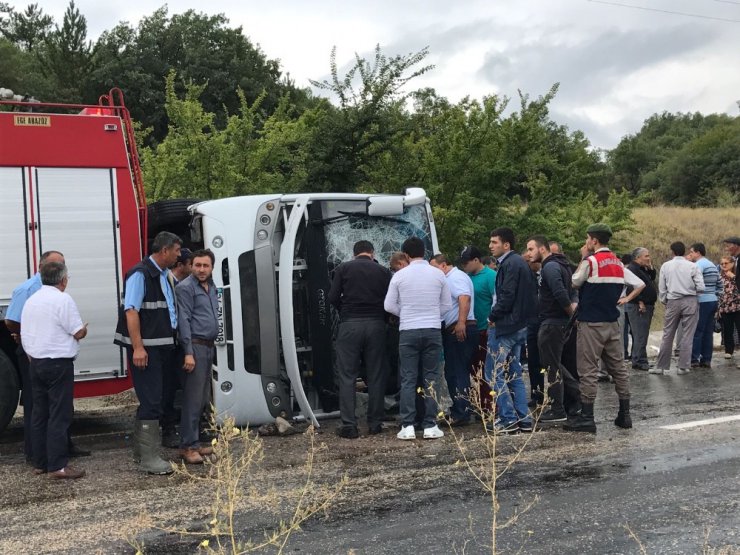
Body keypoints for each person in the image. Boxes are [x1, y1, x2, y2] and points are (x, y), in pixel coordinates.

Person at [4, 250, 90, 464]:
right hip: (38, 356)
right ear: (44, 267)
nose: (63, 270)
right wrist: (23, 337)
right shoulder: (27, 290)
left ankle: (57, 450)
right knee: (42, 409)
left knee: (53, 409)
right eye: (58, 265)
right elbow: (11, 321)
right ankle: (38, 455)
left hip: (37, 356)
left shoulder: (40, 295)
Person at [565, 223, 645, 433]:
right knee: (618, 368)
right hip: (612, 322)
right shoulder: (618, 263)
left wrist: (583, 257)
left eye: (587, 239)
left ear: (594, 240)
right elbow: (640, 284)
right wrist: (626, 298)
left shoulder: (590, 261)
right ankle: (625, 414)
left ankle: (587, 417)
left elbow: (574, 283)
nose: (586, 243)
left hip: (591, 323)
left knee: (588, 369)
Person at [114, 231, 181, 474]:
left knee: (157, 399)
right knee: (151, 401)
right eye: (175, 250)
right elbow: (131, 311)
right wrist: (138, 348)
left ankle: (142, 453)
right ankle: (149, 458)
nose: (178, 255)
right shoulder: (140, 274)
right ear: (164, 250)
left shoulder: (163, 275)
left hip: (161, 348)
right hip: (148, 351)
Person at [384, 237, 451, 440]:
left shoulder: (399, 276)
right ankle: (430, 425)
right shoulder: (438, 275)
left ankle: (408, 425)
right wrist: (432, 316)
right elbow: (446, 305)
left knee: (408, 378)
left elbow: (388, 305)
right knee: (431, 377)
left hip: (408, 331)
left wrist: (405, 314)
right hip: (432, 330)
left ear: (405, 255)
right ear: (425, 252)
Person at [329, 240, 392, 438]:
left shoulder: (343, 268)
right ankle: (375, 423)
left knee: (347, 376)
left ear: (354, 253)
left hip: (350, 324)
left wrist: (344, 311)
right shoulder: (383, 271)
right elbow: (390, 300)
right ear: (372, 253)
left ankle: (349, 425)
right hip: (376, 325)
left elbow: (332, 297)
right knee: (376, 374)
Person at [486, 227, 537, 434]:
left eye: (494, 242)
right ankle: (523, 419)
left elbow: (506, 296)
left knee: (494, 373)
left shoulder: (510, 264)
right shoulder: (519, 263)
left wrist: (492, 317)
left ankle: (508, 420)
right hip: (520, 326)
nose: (490, 246)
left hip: (507, 326)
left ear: (506, 245)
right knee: (514, 372)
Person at [525, 236, 580, 423]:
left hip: (552, 323)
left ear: (542, 249)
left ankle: (558, 409)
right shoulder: (560, 265)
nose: (528, 253)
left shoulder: (550, 267)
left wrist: (570, 314)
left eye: (531, 249)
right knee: (555, 364)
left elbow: (560, 292)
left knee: (552, 367)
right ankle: (578, 397)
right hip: (555, 322)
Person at [175, 249, 219, 463]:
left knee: (202, 399)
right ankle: (187, 446)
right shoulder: (185, 288)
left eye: (206, 266)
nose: (201, 269)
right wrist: (189, 353)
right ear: (191, 266)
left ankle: (195, 442)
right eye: (198, 265)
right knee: (192, 400)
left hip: (209, 347)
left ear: (212, 267)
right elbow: (184, 320)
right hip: (196, 347)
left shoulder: (211, 287)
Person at [430, 254, 478, 426]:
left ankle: (461, 412)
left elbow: (464, 298)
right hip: (457, 328)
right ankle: (463, 407)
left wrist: (461, 323)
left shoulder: (455, 277)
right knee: (458, 371)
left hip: (460, 329)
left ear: (443, 265)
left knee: (456, 372)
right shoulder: (452, 278)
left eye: (434, 267)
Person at [653, 242, 705, 376]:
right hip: (690, 300)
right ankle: (683, 366)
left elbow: (662, 287)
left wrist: (665, 300)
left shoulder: (666, 266)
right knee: (688, 335)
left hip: (673, 300)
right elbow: (701, 287)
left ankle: (661, 366)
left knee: (668, 334)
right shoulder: (692, 266)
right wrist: (693, 294)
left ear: (672, 252)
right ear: (684, 251)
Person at [161, 247, 194, 447]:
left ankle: (189, 429)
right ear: (181, 265)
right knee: (168, 389)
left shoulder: (185, 283)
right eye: (191, 264)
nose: (194, 268)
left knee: (186, 387)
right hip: (170, 345)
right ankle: (168, 429)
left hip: (181, 343)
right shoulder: (169, 282)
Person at [460, 246, 496, 414]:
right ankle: (479, 403)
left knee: (485, 370)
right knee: (473, 370)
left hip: (485, 330)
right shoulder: (466, 277)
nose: (464, 266)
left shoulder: (490, 276)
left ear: (476, 260)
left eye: (466, 263)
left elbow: (496, 301)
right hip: (470, 330)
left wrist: (491, 324)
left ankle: (489, 405)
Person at [687, 243, 720, 368]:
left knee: (697, 330)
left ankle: (694, 359)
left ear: (698, 252)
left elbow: (693, 282)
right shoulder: (712, 265)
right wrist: (717, 296)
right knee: (708, 331)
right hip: (713, 300)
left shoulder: (698, 265)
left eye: (692, 252)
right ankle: (706, 359)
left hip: (702, 300)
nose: (691, 255)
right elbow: (719, 283)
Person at [625, 248, 658, 371]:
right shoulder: (632, 269)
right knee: (639, 334)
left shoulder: (642, 269)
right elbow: (631, 287)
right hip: (638, 306)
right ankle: (639, 360)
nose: (648, 258)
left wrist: (650, 267)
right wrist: (640, 301)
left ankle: (641, 358)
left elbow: (651, 278)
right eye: (646, 256)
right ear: (637, 258)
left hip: (647, 304)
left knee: (642, 334)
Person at [718, 255, 740, 365]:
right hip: (725, 307)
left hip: (737, 306)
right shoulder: (720, 276)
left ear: (732, 264)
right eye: (722, 264)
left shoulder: (737, 275)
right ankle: (729, 350)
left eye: (726, 263)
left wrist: (734, 277)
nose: (724, 265)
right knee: (727, 330)